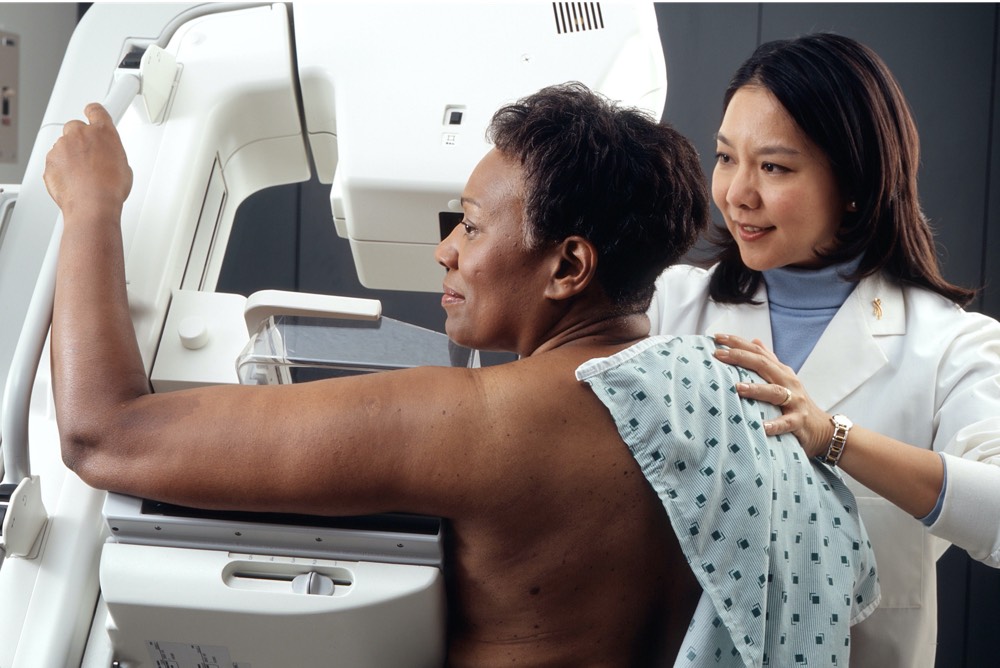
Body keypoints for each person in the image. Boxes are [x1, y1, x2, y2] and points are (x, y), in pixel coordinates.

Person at [45, 82, 877, 667]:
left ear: (568, 266)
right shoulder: (739, 402)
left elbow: (103, 432)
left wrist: (91, 208)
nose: (445, 249)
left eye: (472, 226)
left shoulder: (487, 423)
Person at [647, 32, 1000, 667]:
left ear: (855, 183)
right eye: (727, 158)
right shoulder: (669, 305)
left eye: (774, 167)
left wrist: (834, 437)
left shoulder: (951, 344)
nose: (736, 194)